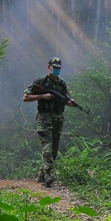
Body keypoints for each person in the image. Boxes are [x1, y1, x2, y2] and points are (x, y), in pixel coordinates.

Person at [23, 57, 78, 188]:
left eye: (59, 68)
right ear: (49, 67)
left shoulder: (62, 83)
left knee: (54, 149)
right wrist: (42, 96)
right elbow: (25, 97)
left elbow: (65, 98)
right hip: (44, 117)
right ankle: (48, 174)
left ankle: (42, 175)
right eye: (55, 67)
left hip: (58, 118)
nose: (57, 70)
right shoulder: (41, 81)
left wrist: (69, 102)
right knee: (47, 145)